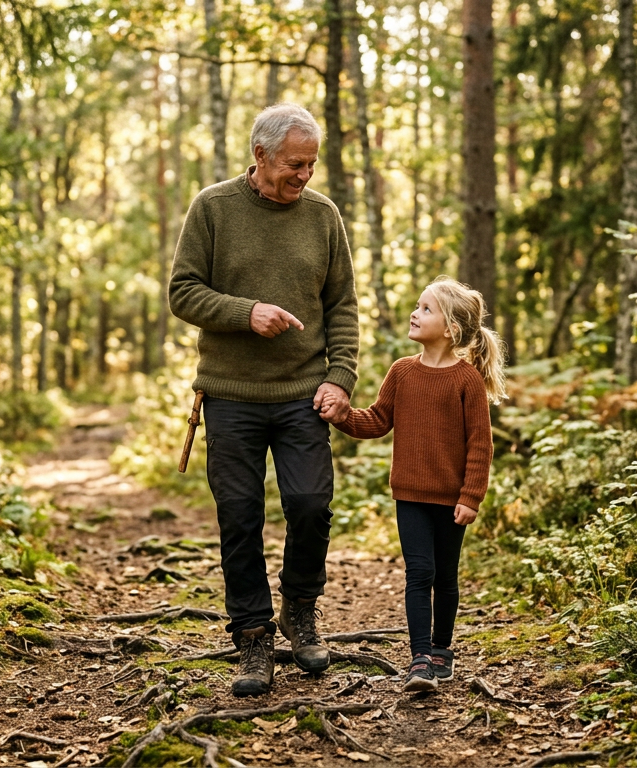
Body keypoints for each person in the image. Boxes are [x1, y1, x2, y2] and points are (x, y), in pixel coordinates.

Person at [168, 103, 360, 697]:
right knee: (240, 517)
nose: (304, 175)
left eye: (311, 164)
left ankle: (299, 610)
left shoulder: (324, 216)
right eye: (294, 164)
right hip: (230, 396)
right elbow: (182, 292)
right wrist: (245, 313)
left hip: (305, 395)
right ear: (261, 155)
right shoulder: (214, 208)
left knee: (309, 505)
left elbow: (343, 307)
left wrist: (341, 379)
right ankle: (252, 638)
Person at [332, 276, 505, 692]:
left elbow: (480, 445)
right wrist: (342, 415)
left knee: (445, 576)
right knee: (419, 573)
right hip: (409, 494)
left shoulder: (466, 380)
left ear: (449, 329)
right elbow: (376, 419)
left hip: (451, 500)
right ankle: (420, 658)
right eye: (417, 305)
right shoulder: (402, 372)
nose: (415, 313)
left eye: (426, 309)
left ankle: (442, 650)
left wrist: (471, 496)